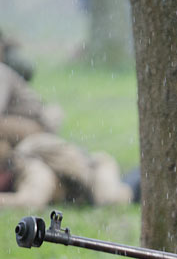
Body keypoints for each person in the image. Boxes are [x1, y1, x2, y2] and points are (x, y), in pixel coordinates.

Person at [0, 61, 131, 208]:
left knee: (110, 200)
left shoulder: (28, 163)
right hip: (78, 179)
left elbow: (30, 201)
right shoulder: (21, 163)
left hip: (97, 169)